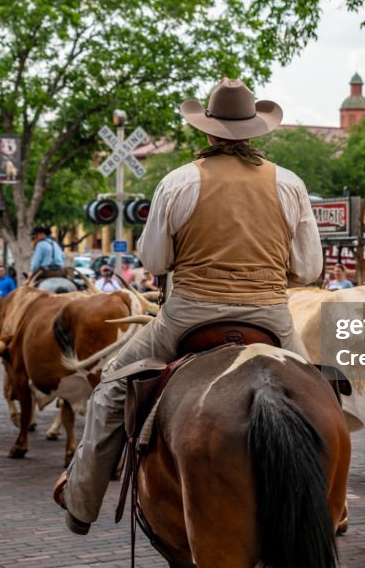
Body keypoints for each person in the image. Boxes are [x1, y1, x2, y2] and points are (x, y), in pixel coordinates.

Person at [54, 77, 322, 535]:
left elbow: (155, 260)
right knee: (321, 394)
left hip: (188, 315)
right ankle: (331, 509)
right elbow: (309, 267)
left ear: (209, 131)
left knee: (111, 391)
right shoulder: (290, 184)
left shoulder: (179, 182)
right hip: (270, 316)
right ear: (254, 132)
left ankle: (81, 503)